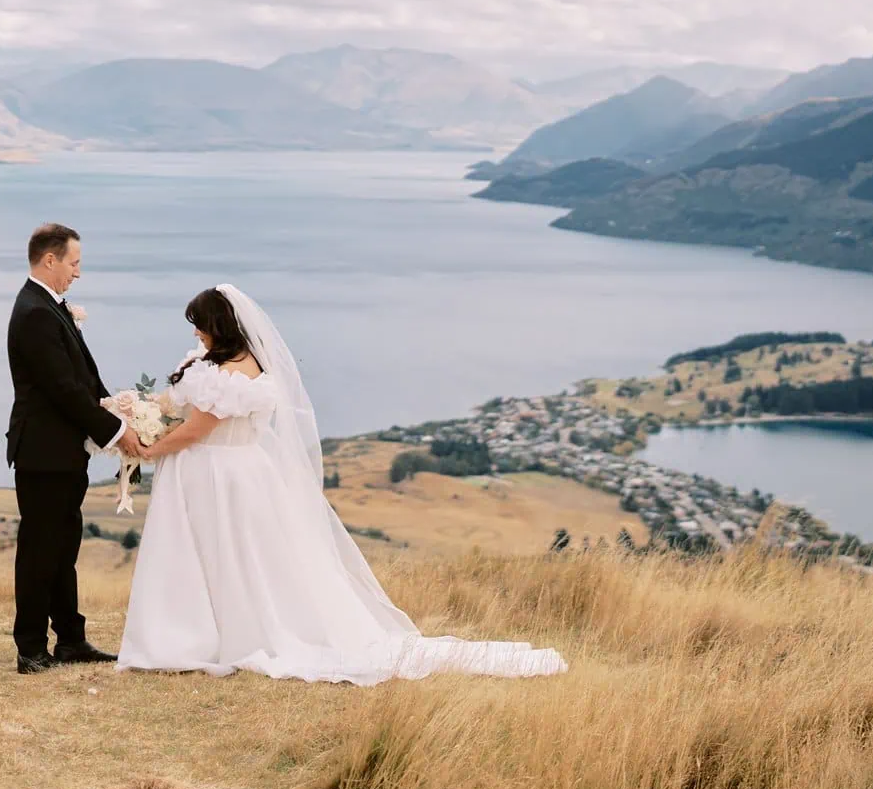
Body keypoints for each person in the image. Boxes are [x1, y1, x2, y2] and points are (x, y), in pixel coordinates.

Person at [118, 285, 567, 685]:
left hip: (220, 473)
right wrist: (144, 411)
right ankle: (210, 631)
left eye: (200, 326)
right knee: (231, 555)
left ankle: (211, 635)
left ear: (218, 324)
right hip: (236, 471)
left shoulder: (226, 374)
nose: (196, 334)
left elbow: (198, 430)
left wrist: (151, 449)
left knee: (224, 552)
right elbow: (181, 410)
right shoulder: (230, 362)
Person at [4, 224, 144, 674]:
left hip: (64, 452)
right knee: (40, 550)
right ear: (51, 260)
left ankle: (70, 639)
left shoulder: (49, 306)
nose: (77, 273)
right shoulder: (35, 313)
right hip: (42, 454)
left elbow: (81, 378)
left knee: (64, 548)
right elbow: (63, 390)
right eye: (74, 263)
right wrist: (119, 432)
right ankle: (30, 647)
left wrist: (119, 407)